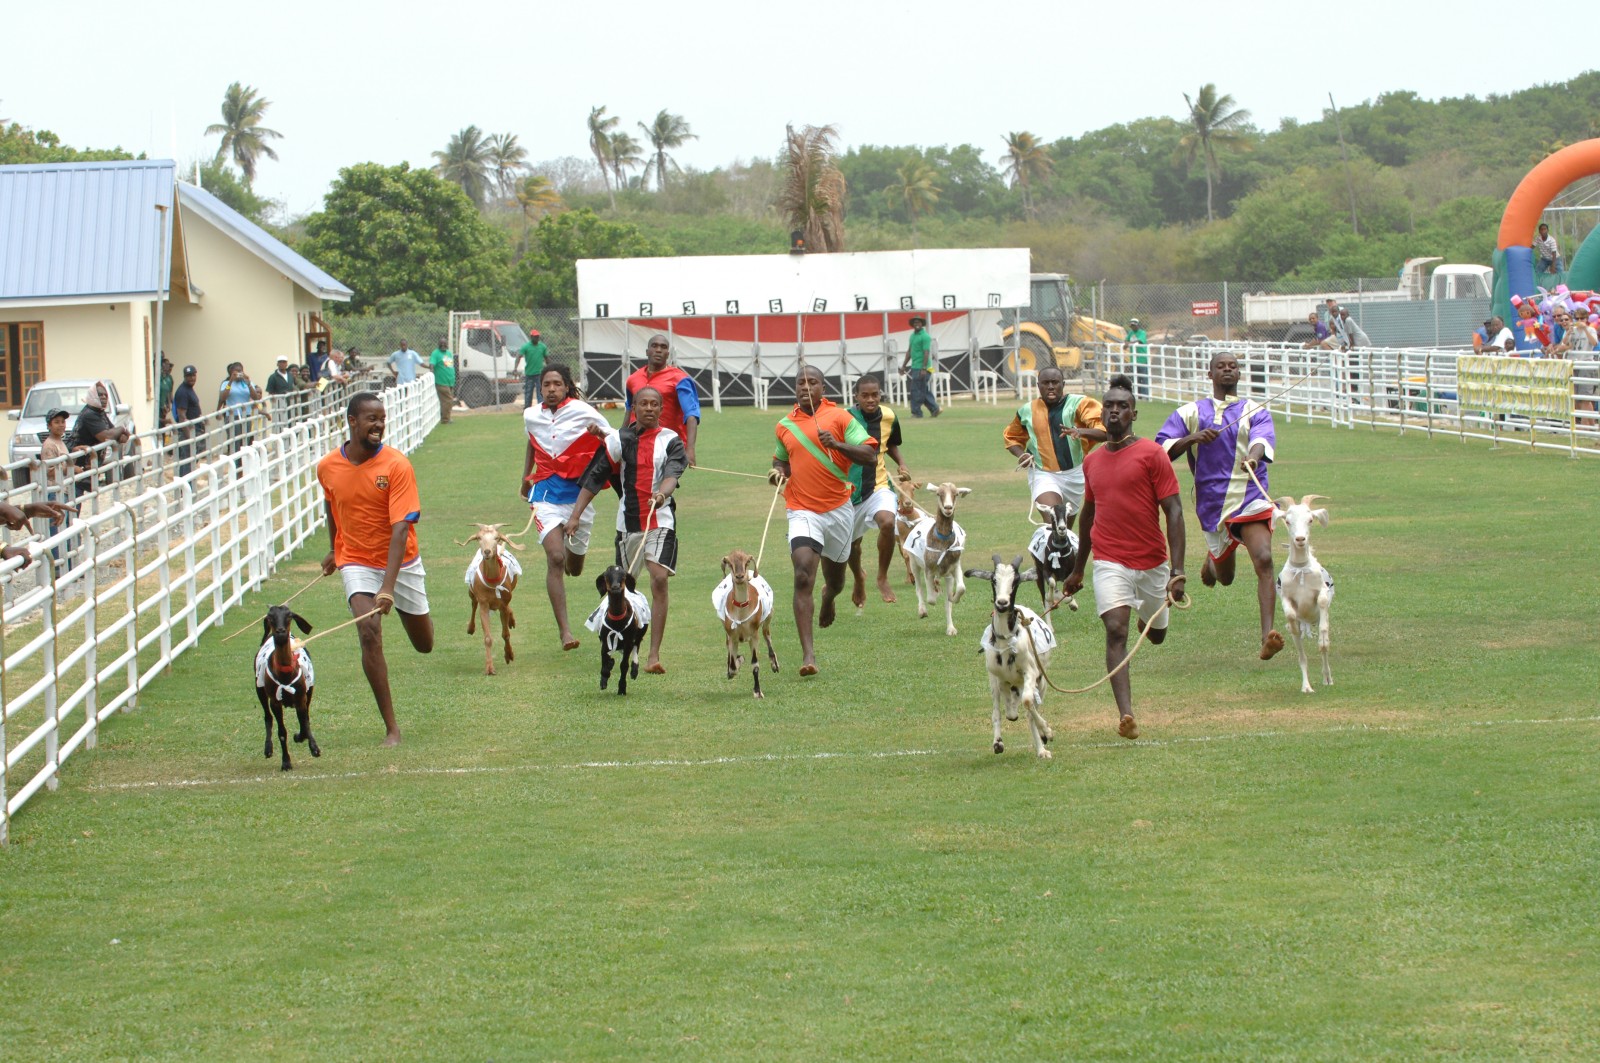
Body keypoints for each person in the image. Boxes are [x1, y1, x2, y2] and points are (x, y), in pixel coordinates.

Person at [1062, 374, 1186, 742]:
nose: (1115, 412)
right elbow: (1088, 516)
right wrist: (1078, 569)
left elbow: (1175, 512)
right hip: (1109, 560)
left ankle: (1154, 618)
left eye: (1122, 407)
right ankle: (1126, 714)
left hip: (1152, 563)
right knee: (1116, 630)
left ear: (1134, 413)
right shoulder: (1093, 461)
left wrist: (1177, 571)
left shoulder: (1152, 454)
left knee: (1157, 635)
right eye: (1109, 406)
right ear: (1102, 415)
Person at [317, 391, 433, 747]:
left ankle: (406, 608)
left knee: (424, 644)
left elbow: (401, 529)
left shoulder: (397, 465)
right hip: (356, 560)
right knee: (369, 631)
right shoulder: (327, 467)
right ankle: (392, 729)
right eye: (371, 419)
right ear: (352, 421)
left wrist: (388, 586)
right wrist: (335, 550)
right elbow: (333, 506)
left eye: (382, 418)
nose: (379, 425)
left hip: (402, 562)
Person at [1154, 351, 1283, 661]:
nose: (1228, 371)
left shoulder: (1254, 410)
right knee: (1225, 577)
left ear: (1239, 374)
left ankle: (1268, 636)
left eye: (1233, 367)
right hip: (1212, 504)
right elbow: (1161, 449)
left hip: (1250, 495)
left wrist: (1252, 456)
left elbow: (1262, 441)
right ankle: (1213, 563)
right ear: (1209, 375)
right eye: (1221, 367)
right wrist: (1193, 439)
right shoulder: (1190, 412)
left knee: (1264, 559)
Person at [566, 385, 687, 673]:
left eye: (653, 404)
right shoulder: (619, 440)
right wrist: (575, 517)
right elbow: (595, 478)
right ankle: (621, 643)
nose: (648, 408)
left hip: (660, 521)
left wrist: (662, 494)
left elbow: (672, 474)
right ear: (633, 409)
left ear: (660, 409)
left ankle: (653, 655)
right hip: (627, 525)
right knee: (621, 591)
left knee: (659, 578)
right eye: (642, 404)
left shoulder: (672, 441)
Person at [772, 365, 880, 676]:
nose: (806, 387)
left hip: (838, 510)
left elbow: (869, 455)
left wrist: (837, 444)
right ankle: (809, 656)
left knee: (835, 580)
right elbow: (781, 457)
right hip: (801, 509)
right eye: (800, 383)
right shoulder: (783, 425)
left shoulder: (842, 418)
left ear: (824, 387)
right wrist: (778, 472)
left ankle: (829, 598)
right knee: (804, 572)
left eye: (813, 382)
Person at [523, 363, 609, 650]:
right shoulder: (531, 415)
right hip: (545, 496)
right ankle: (565, 632)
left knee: (575, 566)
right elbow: (532, 443)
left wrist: (599, 433)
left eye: (557, 384)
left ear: (567, 386)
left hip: (579, 498)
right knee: (556, 558)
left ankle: (574, 557)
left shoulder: (583, 411)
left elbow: (613, 438)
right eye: (546, 384)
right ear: (540, 387)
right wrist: (526, 479)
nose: (551, 389)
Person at [1002, 366, 1107, 527]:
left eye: (1055, 382)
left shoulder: (1080, 403)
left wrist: (1080, 431)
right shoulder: (1027, 410)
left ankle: (1061, 551)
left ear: (1063, 384)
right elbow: (1011, 437)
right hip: (1042, 473)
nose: (1050, 386)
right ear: (1038, 386)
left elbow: (1105, 431)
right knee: (1054, 520)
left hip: (1074, 474)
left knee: (1065, 530)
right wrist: (1021, 455)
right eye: (1045, 383)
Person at [846, 374, 910, 607]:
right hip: (850, 491)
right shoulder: (845, 418)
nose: (871, 399)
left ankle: (882, 577)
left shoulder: (889, 416)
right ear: (856, 397)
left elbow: (890, 443)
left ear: (881, 394)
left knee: (887, 522)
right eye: (865, 395)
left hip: (879, 485)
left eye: (875, 395)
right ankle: (858, 578)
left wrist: (901, 463)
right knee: (852, 545)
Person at [625, 334, 702, 465]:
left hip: (667, 445)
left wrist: (690, 449)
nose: (658, 350)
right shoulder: (633, 379)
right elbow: (629, 411)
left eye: (663, 347)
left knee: (661, 483)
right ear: (647, 351)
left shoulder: (680, 379)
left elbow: (691, 415)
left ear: (668, 353)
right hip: (637, 444)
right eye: (654, 346)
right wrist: (621, 439)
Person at [68, 379, 131, 495]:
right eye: (100, 394)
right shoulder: (89, 414)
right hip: (77, 464)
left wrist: (119, 433)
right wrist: (122, 429)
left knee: (79, 501)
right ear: (92, 395)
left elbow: (118, 436)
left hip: (89, 465)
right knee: (73, 501)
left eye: (105, 395)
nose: (103, 397)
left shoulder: (99, 413)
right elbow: (106, 436)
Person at [899, 315, 941, 418]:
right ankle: (935, 409)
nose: (916, 324)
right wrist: (903, 366)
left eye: (918, 322)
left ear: (922, 324)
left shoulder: (925, 336)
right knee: (922, 390)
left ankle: (917, 413)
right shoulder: (912, 336)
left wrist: (924, 368)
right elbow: (909, 352)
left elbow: (926, 353)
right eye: (915, 323)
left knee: (916, 390)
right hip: (915, 367)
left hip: (923, 368)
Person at [215, 362, 261, 454]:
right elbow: (223, 397)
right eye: (236, 372)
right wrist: (231, 381)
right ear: (231, 373)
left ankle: (244, 464)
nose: (239, 374)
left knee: (245, 441)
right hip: (232, 416)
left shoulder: (248, 383)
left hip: (246, 415)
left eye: (241, 371)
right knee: (235, 441)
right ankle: (236, 464)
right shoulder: (226, 383)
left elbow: (256, 397)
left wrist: (249, 384)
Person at [172, 364, 205, 477]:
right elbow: (182, 416)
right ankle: (185, 489)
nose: (191, 378)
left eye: (193, 375)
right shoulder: (183, 391)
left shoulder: (189, 389)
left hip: (195, 428)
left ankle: (187, 488)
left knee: (192, 459)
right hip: (187, 431)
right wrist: (190, 438)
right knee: (187, 461)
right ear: (184, 377)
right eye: (188, 376)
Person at [516, 328, 549, 409]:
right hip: (529, 373)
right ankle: (527, 409)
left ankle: (540, 408)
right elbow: (519, 356)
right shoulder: (526, 347)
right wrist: (515, 368)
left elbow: (547, 358)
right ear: (531, 337)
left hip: (539, 373)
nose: (537, 338)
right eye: (535, 337)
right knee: (528, 392)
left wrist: (550, 368)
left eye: (538, 336)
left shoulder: (542, 346)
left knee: (540, 392)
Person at [427, 337, 456, 424]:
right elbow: (432, 364)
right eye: (441, 344)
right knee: (448, 400)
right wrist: (431, 372)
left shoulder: (448, 353)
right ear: (438, 344)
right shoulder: (435, 353)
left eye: (445, 344)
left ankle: (446, 417)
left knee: (446, 401)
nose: (443, 345)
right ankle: (445, 419)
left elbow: (448, 366)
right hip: (441, 382)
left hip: (449, 382)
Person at [1126, 317, 1149, 397]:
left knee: (1144, 378)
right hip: (1133, 360)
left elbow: (1140, 341)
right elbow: (1126, 341)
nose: (1133, 327)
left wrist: (1129, 343)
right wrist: (1127, 343)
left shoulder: (1142, 333)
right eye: (1131, 325)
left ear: (1138, 325)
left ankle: (1145, 396)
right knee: (1135, 379)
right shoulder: (1130, 333)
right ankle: (1138, 395)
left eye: (1134, 325)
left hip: (1142, 359)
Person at [157, 355, 175, 428]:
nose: (169, 369)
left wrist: (169, 405)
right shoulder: (157, 379)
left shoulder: (168, 379)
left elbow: (169, 393)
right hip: (158, 409)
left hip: (163, 410)